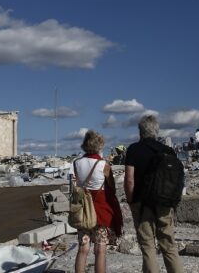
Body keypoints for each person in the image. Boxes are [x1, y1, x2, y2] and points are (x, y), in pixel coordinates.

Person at [124, 115, 184, 273]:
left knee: (148, 246)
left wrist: (131, 201)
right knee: (169, 246)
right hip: (164, 202)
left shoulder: (133, 150)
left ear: (140, 132)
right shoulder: (168, 151)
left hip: (142, 204)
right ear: (156, 131)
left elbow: (129, 180)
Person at [73, 130, 123, 273]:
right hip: (101, 210)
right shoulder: (104, 165)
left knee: (83, 247)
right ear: (99, 145)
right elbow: (112, 188)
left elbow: (76, 185)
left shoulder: (77, 163)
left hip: (84, 210)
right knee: (100, 250)